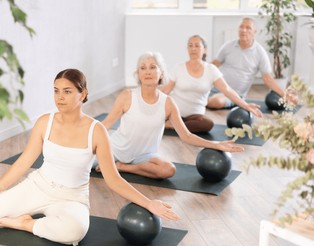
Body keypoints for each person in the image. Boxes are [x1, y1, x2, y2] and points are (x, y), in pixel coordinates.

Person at [0, 69, 179, 246]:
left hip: (71, 198)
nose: (60, 98)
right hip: (37, 186)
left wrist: (149, 203)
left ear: (82, 94)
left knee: (73, 232)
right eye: (56, 91)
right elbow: (22, 164)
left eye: (67, 91)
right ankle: (30, 218)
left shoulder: (97, 131)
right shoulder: (44, 122)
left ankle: (25, 224)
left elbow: (113, 179)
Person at [95, 52, 245, 180]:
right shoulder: (127, 96)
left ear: (161, 73)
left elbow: (186, 136)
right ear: (138, 74)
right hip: (114, 149)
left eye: (153, 67)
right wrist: (84, 140)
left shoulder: (168, 103)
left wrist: (216, 144)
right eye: (143, 68)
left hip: (144, 156)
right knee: (78, 163)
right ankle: (114, 164)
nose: (148, 72)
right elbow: (106, 124)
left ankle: (122, 167)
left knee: (168, 170)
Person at [161, 34, 262, 133]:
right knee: (158, 117)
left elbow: (227, 90)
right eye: (190, 46)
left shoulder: (211, 70)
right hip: (175, 112)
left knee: (207, 124)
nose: (193, 49)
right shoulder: (178, 67)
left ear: (204, 49)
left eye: (197, 46)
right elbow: (166, 90)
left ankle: (173, 125)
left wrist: (246, 106)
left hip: (195, 115)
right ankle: (176, 124)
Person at [207, 17, 297, 109]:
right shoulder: (228, 46)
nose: (243, 30)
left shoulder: (259, 52)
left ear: (254, 32)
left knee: (216, 101)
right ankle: (201, 100)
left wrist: (285, 95)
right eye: (241, 27)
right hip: (215, 87)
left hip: (234, 95)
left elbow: (267, 78)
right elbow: (214, 65)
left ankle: (201, 101)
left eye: (248, 28)